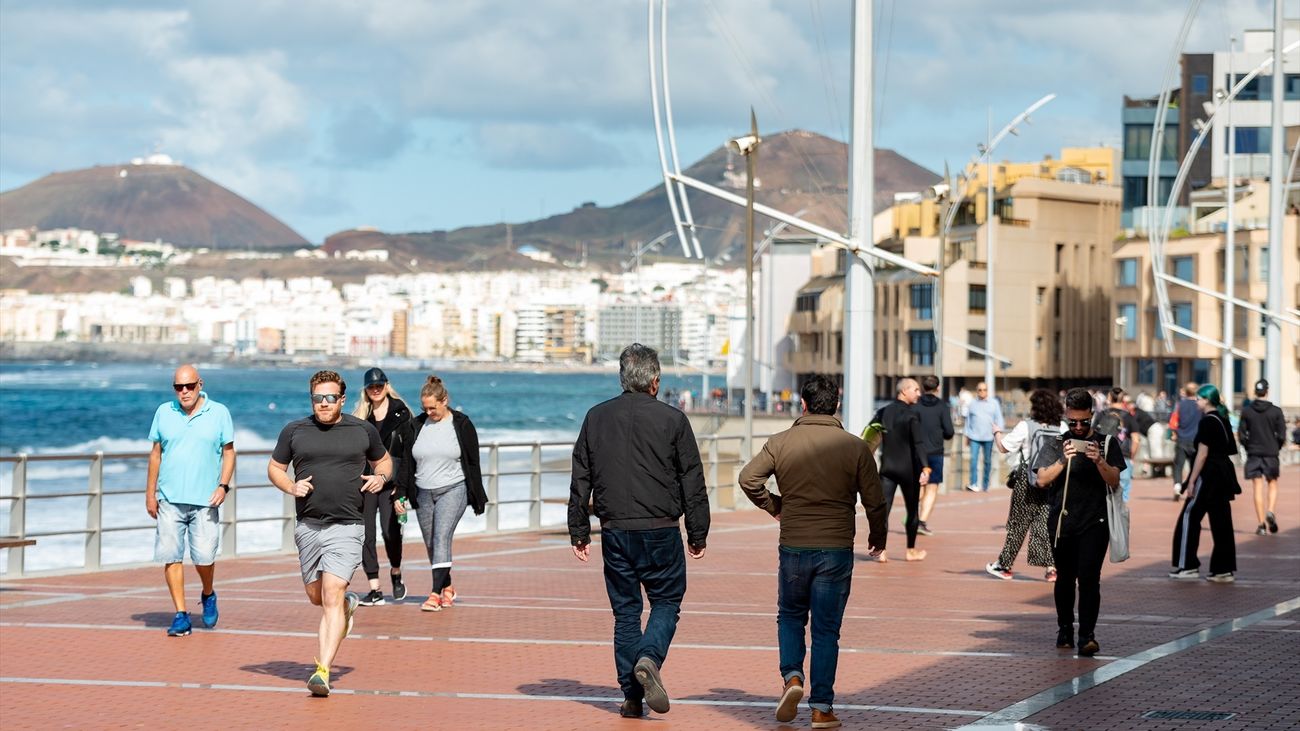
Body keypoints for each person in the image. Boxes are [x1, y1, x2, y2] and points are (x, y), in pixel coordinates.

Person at [737, 374, 887, 728]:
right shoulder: (855, 448)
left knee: (790, 616)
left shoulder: (780, 441)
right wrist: (878, 537)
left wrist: (775, 505)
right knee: (826, 629)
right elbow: (875, 502)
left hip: (793, 545)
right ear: (836, 405)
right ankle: (821, 707)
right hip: (835, 549)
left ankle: (792, 678)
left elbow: (748, 478)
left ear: (802, 404)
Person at [568, 344, 709, 719]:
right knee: (666, 601)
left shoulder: (595, 417)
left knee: (626, 614)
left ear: (621, 378)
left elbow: (580, 477)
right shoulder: (673, 420)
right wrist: (698, 533)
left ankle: (632, 698)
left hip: (615, 531)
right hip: (661, 529)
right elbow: (692, 479)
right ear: (655, 381)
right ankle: (649, 657)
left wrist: (578, 530)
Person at [268, 370, 391, 697]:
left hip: (348, 525)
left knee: (332, 593)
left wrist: (380, 478)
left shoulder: (361, 430)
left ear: (342, 399)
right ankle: (349, 605)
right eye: (318, 398)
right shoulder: (295, 430)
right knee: (317, 597)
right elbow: (274, 468)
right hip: (308, 526)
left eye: (330, 397)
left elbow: (385, 462)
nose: (324, 403)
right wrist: (290, 486)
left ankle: (322, 670)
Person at [1032, 387, 1124, 657]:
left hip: (1095, 522)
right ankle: (1064, 629)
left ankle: (1087, 636)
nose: (1079, 427)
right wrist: (1064, 459)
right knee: (1064, 580)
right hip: (1062, 522)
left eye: (1084, 421)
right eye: (1073, 422)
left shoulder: (1107, 443)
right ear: (1066, 417)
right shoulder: (1056, 443)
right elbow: (1041, 479)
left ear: (1092, 416)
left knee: (1089, 579)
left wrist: (1099, 461)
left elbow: (1115, 480)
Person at [146, 364, 236, 637]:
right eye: (178, 387)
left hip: (206, 499)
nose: (183, 392)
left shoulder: (219, 412)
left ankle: (208, 593)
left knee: (204, 557)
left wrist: (223, 486)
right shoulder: (164, 411)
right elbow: (155, 454)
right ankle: (181, 614)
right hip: (170, 499)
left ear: (200, 385)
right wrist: (150, 493)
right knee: (171, 556)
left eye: (189, 386)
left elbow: (229, 453)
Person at [393, 375, 487, 611]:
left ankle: (434, 594)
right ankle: (448, 587)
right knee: (431, 544)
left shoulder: (462, 424)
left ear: (445, 400)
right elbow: (406, 463)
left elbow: (473, 463)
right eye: (425, 408)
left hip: (454, 488)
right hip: (423, 492)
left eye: (433, 407)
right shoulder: (415, 425)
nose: (429, 412)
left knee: (441, 536)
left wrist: (478, 496)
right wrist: (400, 495)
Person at [988, 389, 1062, 582]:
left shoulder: (1026, 426)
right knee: (1045, 524)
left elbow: (1004, 447)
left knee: (1019, 524)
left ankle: (1004, 565)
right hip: (1052, 480)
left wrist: (996, 432)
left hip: (1027, 479)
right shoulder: (1061, 427)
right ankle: (1052, 567)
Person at [353, 367, 413, 606]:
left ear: (387, 386)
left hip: (391, 483)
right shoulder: (360, 418)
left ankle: (396, 573)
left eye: (380, 385)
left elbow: (409, 455)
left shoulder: (402, 415)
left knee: (390, 533)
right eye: (371, 387)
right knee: (366, 535)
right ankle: (374, 587)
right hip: (366, 483)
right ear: (366, 390)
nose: (376, 390)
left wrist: (403, 488)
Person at [1170, 385, 1240, 583]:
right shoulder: (1223, 419)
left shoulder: (1208, 421)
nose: (1196, 402)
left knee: (1189, 517)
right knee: (1222, 522)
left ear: (1207, 400)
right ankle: (1223, 569)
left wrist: (1191, 481)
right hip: (1224, 475)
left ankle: (1187, 565)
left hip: (1208, 475)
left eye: (1199, 398)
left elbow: (1202, 454)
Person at [870, 378, 930, 561]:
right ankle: (911, 551)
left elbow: (867, 438)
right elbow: (918, 443)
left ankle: (882, 550)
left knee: (883, 511)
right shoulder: (912, 415)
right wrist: (926, 468)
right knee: (912, 511)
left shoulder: (882, 412)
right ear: (904, 391)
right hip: (908, 470)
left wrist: (862, 461)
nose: (919, 393)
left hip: (887, 469)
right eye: (916, 390)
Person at [1237, 379, 1285, 537]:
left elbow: (1242, 434)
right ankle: (1270, 511)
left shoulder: (1247, 411)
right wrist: (1275, 447)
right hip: (1271, 452)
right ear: (1267, 391)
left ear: (1255, 392)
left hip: (1254, 453)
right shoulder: (1276, 411)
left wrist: (1248, 446)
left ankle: (1261, 525)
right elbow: (1282, 435)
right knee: (1272, 483)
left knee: (1257, 487)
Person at [913, 375, 953, 536]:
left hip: (916, 451)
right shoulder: (942, 406)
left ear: (922, 388)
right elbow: (949, 431)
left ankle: (912, 515)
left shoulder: (915, 405)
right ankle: (921, 522)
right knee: (932, 487)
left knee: (918, 485)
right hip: (935, 452)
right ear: (937, 388)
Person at [964, 381, 1005, 492]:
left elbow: (999, 419)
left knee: (987, 461)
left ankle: (985, 485)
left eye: (984, 390)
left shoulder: (994, 403)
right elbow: (968, 421)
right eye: (980, 390)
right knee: (973, 460)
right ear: (977, 391)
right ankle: (973, 484)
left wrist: (998, 432)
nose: (982, 392)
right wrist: (966, 435)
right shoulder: (972, 403)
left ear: (987, 391)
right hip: (974, 437)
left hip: (988, 437)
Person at [1103, 388, 1139, 501]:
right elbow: (1136, 439)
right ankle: (1120, 516)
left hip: (1104, 456)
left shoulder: (1102, 414)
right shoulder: (1128, 416)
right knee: (1123, 494)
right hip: (1123, 456)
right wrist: (1132, 456)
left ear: (1109, 397)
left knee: (1104, 492)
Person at [1170, 382, 1202, 500]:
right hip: (1196, 440)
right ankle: (1193, 489)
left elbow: (1173, 422)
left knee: (1178, 465)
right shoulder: (1200, 405)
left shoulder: (1180, 405)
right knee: (1195, 467)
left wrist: (1174, 433)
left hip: (1181, 439)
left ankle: (1177, 486)